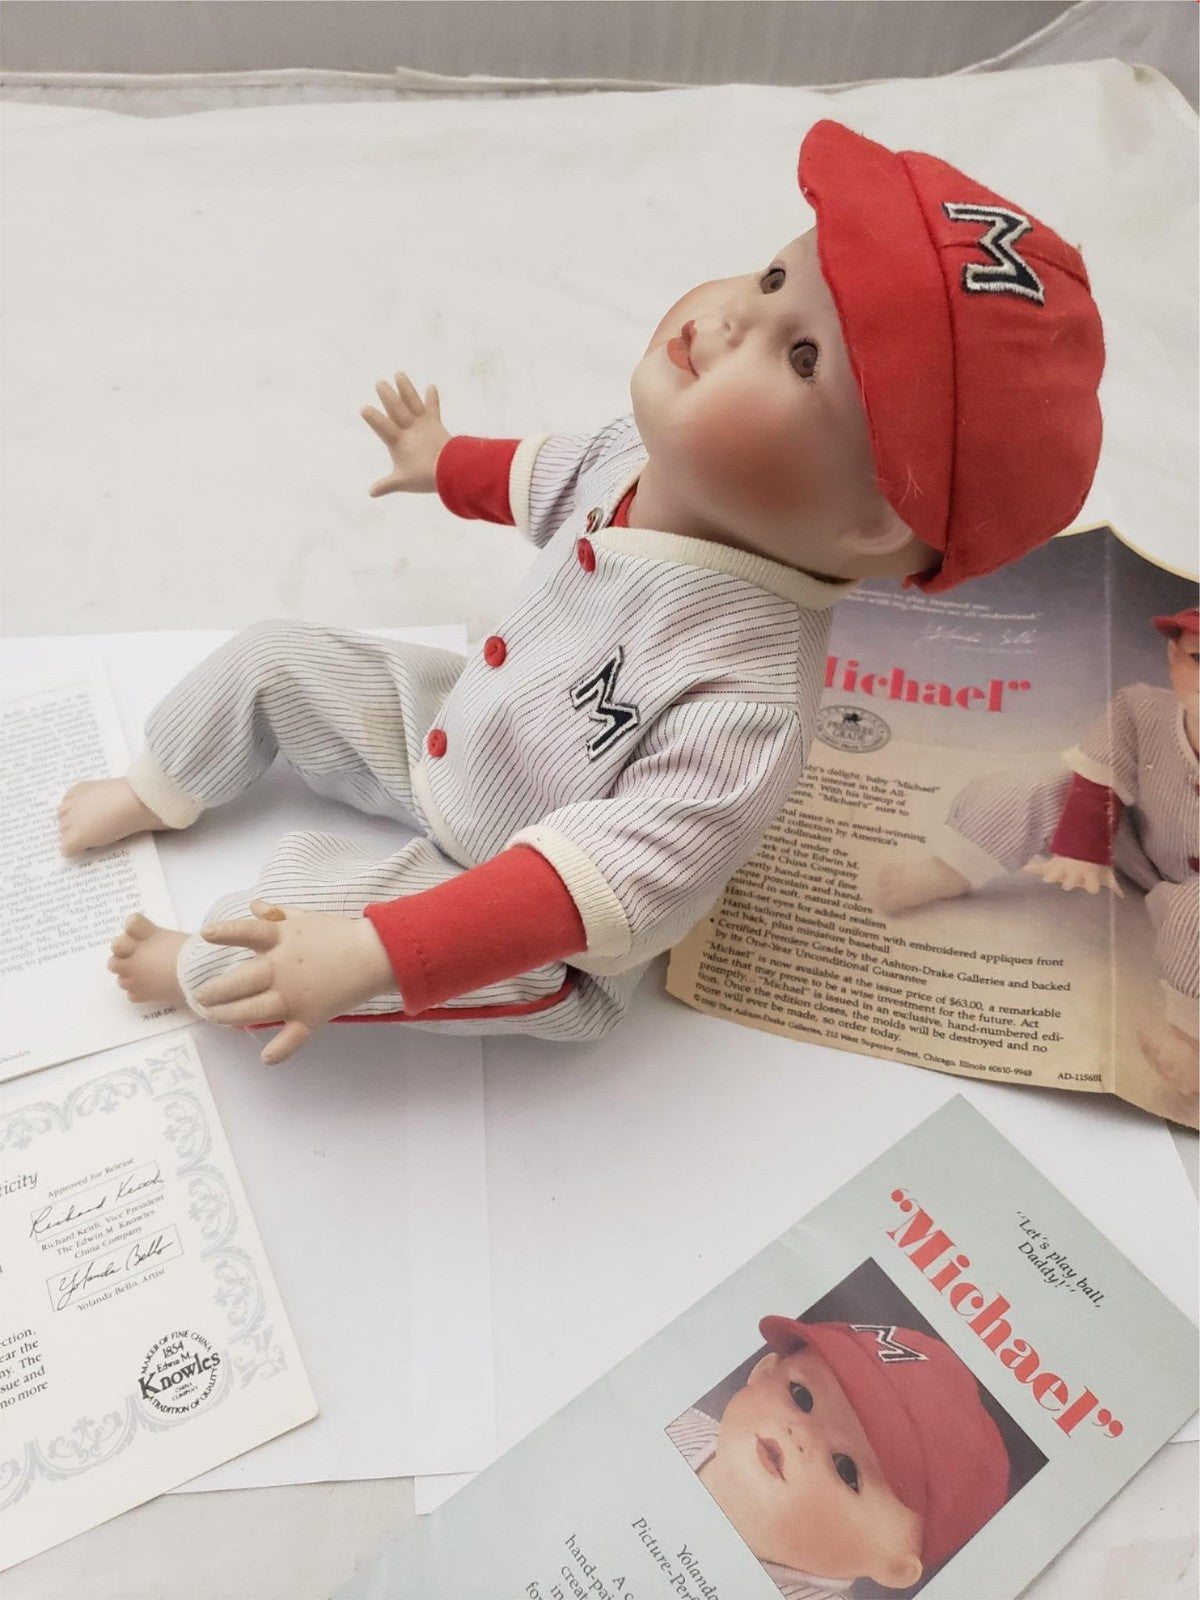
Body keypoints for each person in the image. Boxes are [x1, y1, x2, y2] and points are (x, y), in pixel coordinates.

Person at [56, 119, 1105, 1063]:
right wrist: (443, 459)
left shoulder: (745, 703)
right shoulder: (644, 461)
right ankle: (162, 782)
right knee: (276, 655)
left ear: (876, 522)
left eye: (799, 356)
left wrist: (376, 950)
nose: (728, 317)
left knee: (302, 930)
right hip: (464, 736)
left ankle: (192, 970)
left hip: (535, 922)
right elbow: (543, 474)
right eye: (773, 276)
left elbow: (590, 884)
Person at [873, 607, 1198, 1097]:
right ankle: (953, 867)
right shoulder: (1141, 709)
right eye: (1198, 659)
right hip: (1136, 841)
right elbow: (1099, 775)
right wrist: (1084, 845)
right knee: (1045, 785)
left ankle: (1188, 1041)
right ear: (1173, 658)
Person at [665, 1315, 1009, 1597]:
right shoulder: (674, 1427)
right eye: (801, 1396)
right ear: (764, 1371)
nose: (800, 1435)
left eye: (846, 1470)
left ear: (894, 1567)